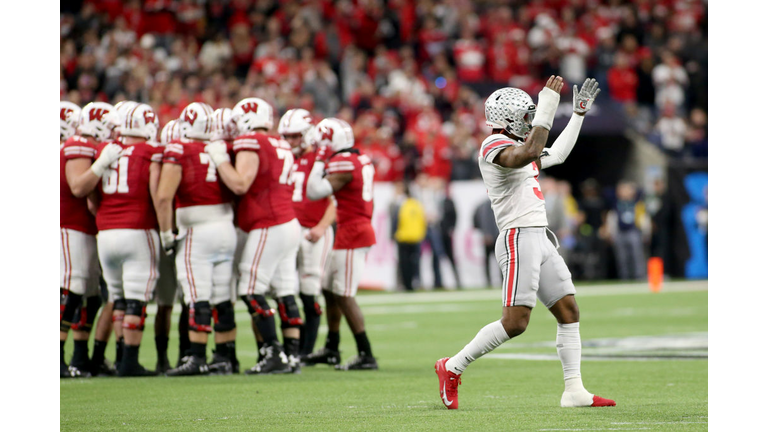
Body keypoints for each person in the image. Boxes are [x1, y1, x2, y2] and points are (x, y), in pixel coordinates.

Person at [435, 77, 615, 409]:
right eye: (527, 115)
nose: (532, 121)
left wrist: (577, 115)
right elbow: (530, 150)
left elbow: (557, 154)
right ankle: (452, 366)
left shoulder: (518, 144)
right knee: (516, 323)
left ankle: (573, 390)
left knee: (569, 310)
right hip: (518, 236)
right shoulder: (493, 146)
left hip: (539, 236)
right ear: (509, 118)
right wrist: (548, 104)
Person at [205, 97, 302, 375]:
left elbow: (239, 183)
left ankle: (274, 353)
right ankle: (290, 355)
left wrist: (220, 157)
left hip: (269, 222)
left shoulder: (252, 142)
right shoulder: (280, 143)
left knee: (250, 290)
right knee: (283, 290)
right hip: (286, 221)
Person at [155, 103, 239, 376]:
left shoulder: (179, 149)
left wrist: (167, 233)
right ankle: (226, 358)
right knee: (223, 296)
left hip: (197, 230)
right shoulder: (221, 150)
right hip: (226, 227)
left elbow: (165, 196)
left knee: (197, 296)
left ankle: (198, 357)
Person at [93, 103, 163, 377]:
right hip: (137, 228)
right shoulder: (150, 152)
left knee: (117, 298)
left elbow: (91, 197)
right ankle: (130, 361)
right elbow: (158, 194)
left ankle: (121, 356)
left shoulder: (105, 150)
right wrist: (166, 229)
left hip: (105, 232)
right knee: (136, 298)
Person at [304, 117, 378, 371]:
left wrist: (318, 160)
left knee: (345, 295)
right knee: (328, 289)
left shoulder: (343, 162)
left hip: (353, 233)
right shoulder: (360, 158)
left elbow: (314, 191)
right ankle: (332, 347)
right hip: (353, 229)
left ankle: (366, 353)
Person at [60, 101, 115, 378]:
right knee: (71, 286)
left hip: (87, 228)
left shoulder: (84, 144)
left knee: (92, 295)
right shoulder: (78, 143)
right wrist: (104, 162)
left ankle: (80, 358)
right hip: (70, 224)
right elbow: (78, 186)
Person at [279, 108, 337, 358]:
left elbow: (336, 200)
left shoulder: (321, 159)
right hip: (290, 230)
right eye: (287, 136)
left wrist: (322, 227)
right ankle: (293, 346)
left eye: (295, 136)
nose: (290, 142)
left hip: (314, 229)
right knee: (283, 288)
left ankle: (306, 350)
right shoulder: (285, 158)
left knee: (309, 289)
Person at [394, 183, 427, 292]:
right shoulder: (417, 204)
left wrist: (394, 234)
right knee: (415, 263)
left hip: (403, 237)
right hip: (416, 237)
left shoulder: (401, 204)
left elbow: (396, 221)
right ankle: (415, 283)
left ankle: (406, 284)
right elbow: (423, 221)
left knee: (404, 264)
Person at [473, 199, 500, 288]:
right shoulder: (488, 205)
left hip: (490, 237)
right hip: (495, 237)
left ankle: (489, 281)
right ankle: (494, 281)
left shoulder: (482, 205)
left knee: (492, 261)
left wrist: (484, 233)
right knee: (498, 261)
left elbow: (476, 220)